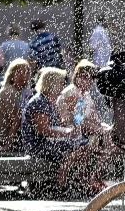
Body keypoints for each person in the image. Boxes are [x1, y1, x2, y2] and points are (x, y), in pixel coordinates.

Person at [20, 67, 97, 195]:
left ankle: (74, 182)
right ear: (52, 83)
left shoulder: (49, 100)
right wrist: (67, 133)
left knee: (84, 145)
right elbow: (44, 130)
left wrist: (73, 112)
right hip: (38, 145)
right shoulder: (39, 102)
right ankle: (64, 181)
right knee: (82, 146)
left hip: (47, 142)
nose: (63, 85)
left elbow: (57, 124)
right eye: (61, 82)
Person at [0, 58, 32, 154]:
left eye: (26, 73)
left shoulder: (20, 92)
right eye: (20, 73)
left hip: (11, 138)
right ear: (11, 75)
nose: (24, 77)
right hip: (8, 140)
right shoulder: (9, 92)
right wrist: (8, 144)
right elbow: (16, 120)